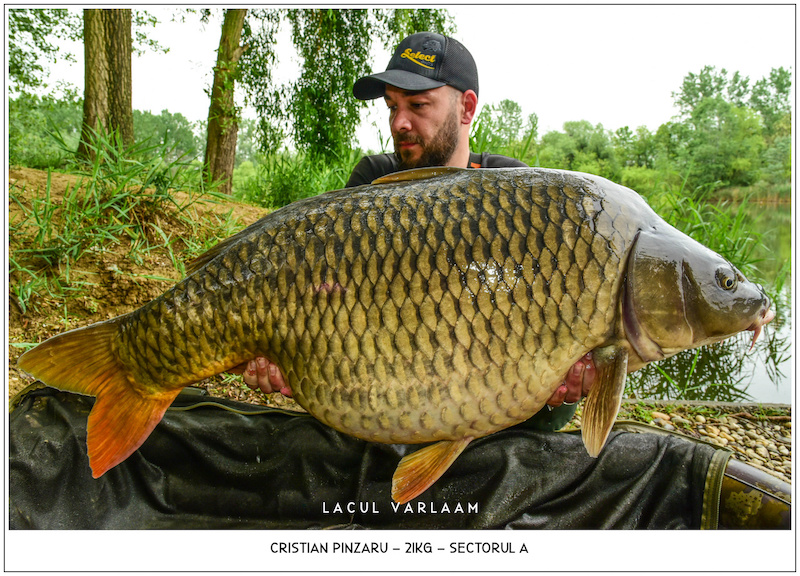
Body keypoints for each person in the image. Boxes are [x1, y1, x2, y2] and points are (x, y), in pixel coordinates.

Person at [236, 32, 594, 429]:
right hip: (389, 378)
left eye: (418, 105)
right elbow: (325, 291)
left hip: (493, 389)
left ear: (467, 107)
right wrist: (286, 345)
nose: (399, 122)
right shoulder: (373, 179)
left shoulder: (514, 189)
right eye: (392, 106)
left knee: (553, 411)